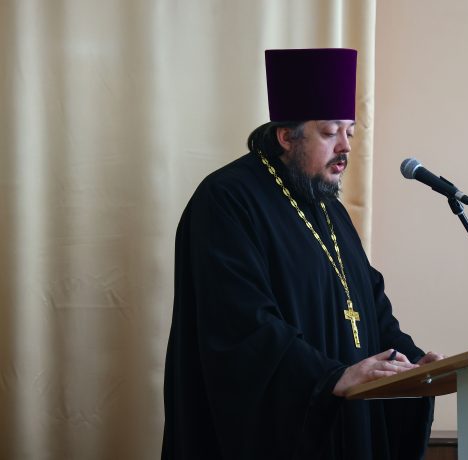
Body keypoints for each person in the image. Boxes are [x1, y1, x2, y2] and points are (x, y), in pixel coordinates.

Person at [162, 48, 443, 460]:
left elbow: (370, 309)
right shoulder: (227, 200)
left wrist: (413, 364)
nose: (345, 147)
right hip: (272, 436)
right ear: (287, 136)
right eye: (330, 133)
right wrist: (327, 378)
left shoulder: (331, 211)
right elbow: (240, 323)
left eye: (350, 132)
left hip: (345, 426)